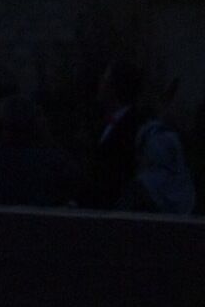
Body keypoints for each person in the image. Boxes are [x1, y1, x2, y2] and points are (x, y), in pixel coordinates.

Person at [82, 63, 195, 214]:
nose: (100, 84)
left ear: (114, 87)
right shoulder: (101, 124)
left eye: (105, 80)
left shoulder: (135, 127)